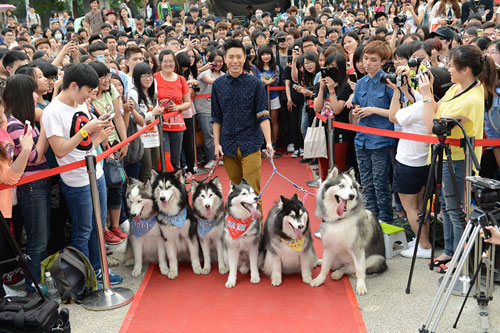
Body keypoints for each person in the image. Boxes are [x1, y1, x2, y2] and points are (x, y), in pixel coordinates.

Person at [41, 63, 123, 285]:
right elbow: (60, 149)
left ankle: (98, 272)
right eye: (88, 90)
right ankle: (80, 280)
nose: (90, 95)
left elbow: (86, 143)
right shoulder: (52, 111)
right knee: (82, 231)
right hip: (76, 180)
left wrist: (96, 133)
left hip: (94, 171)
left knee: (98, 225)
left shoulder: (81, 104)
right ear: (74, 85)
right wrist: (88, 131)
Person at [422, 45, 495, 273]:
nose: (448, 69)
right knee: (446, 205)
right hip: (446, 155)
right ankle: (450, 251)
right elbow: (437, 110)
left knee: (456, 209)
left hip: (458, 161)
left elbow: (432, 126)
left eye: (452, 65)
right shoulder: (456, 88)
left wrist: (425, 96)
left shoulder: (472, 98)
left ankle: (461, 258)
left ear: (465, 69)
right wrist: (423, 95)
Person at [211, 38, 274, 209]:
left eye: (239, 56)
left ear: (245, 58)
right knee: (236, 193)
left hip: (251, 143)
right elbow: (216, 118)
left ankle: (257, 231)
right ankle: (239, 231)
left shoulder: (255, 84)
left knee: (252, 193)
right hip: (228, 144)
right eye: (231, 57)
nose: (235, 61)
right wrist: (216, 144)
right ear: (224, 59)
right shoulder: (218, 85)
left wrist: (268, 142)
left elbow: (263, 115)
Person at [4, 74, 50, 294]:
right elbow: (34, 155)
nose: (35, 96)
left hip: (39, 183)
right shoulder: (14, 123)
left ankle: (37, 281)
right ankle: (34, 287)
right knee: (37, 240)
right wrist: (48, 127)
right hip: (31, 187)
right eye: (31, 91)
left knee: (42, 237)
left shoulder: (24, 120)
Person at [351, 40, 394, 224]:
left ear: (383, 61)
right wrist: (357, 110)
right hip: (362, 138)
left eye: (373, 60)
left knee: (380, 184)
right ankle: (370, 219)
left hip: (382, 139)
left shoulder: (388, 82)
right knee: (366, 184)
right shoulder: (360, 83)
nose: (367, 63)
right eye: (365, 58)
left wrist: (373, 110)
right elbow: (356, 103)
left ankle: (385, 220)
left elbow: (396, 113)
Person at [154, 49, 191, 170]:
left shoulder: (181, 79)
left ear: (175, 63)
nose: (168, 64)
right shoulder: (154, 78)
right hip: (160, 123)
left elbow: (188, 102)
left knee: (175, 159)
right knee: (165, 157)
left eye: (171, 61)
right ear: (160, 63)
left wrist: (177, 107)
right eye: (165, 61)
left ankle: (176, 183)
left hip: (177, 123)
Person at [130, 62, 162, 182]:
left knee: (154, 171)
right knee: (146, 173)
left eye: (150, 76)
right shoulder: (134, 93)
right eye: (144, 76)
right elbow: (138, 118)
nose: (148, 79)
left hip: (154, 136)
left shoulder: (152, 94)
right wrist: (153, 112)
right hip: (142, 138)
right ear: (137, 78)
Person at [194, 49, 224, 170]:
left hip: (217, 108)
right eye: (216, 61)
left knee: (218, 133)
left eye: (221, 61)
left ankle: (218, 157)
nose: (219, 63)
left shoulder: (223, 74)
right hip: (203, 108)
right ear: (211, 61)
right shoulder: (204, 73)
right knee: (208, 135)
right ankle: (211, 158)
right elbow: (209, 81)